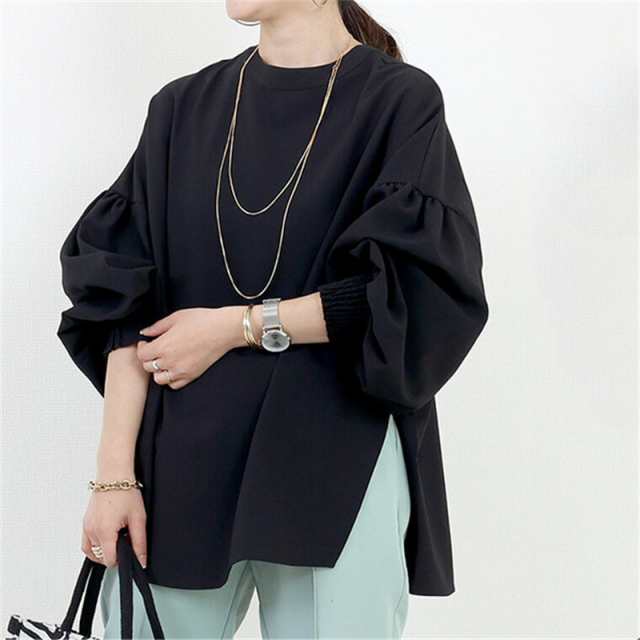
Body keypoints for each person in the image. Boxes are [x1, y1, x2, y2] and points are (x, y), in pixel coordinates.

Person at [57, 0, 489, 637]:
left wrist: (234, 328)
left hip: (337, 453)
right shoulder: (181, 109)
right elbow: (122, 302)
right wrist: (113, 478)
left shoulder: (398, 102)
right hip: (180, 462)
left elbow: (411, 292)